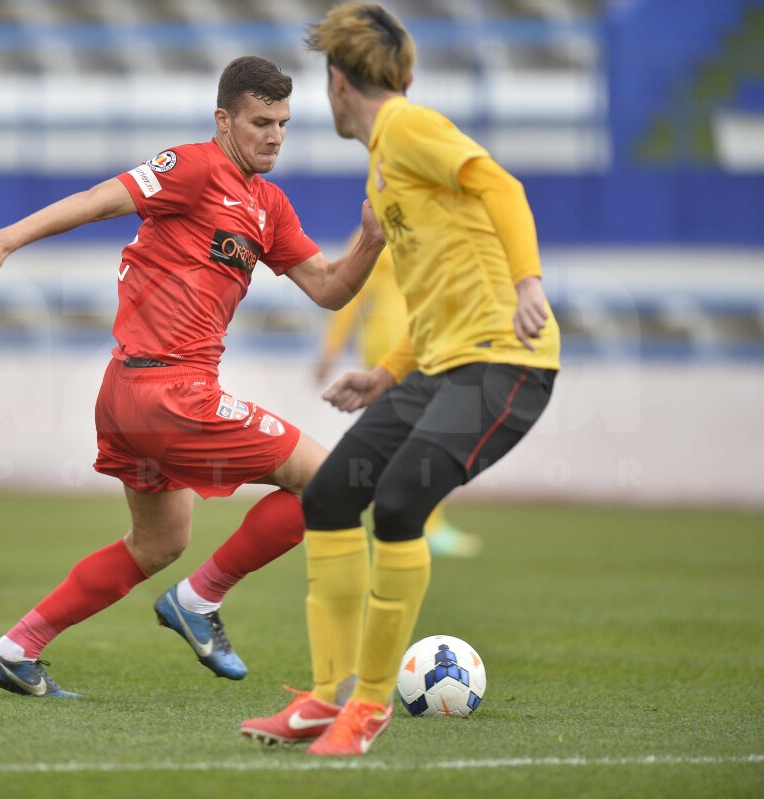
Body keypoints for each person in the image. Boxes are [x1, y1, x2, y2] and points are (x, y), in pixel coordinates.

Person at [0, 55, 385, 698]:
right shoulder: (194, 167)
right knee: (330, 482)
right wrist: (1, 242)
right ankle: (200, 600)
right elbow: (96, 201)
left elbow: (329, 288)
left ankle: (15, 649)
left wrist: (371, 243)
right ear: (223, 120)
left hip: (131, 396)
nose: (275, 137)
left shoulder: (269, 205)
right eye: (261, 123)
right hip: (169, 394)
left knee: (158, 541)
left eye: (284, 124)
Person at [239, 2, 559, 756]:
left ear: (336, 82)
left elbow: (502, 186)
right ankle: (324, 700)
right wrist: (386, 374)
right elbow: (438, 294)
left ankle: (368, 707)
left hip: (506, 362)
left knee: (400, 500)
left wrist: (528, 282)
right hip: (440, 366)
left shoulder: (408, 128)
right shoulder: (386, 165)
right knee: (330, 494)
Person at [315, 242, 481, 558]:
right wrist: (331, 348)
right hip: (397, 348)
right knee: (420, 435)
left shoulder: (427, 226)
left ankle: (408, 518)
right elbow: (349, 291)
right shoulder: (382, 229)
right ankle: (425, 523)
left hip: (424, 342)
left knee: (411, 435)